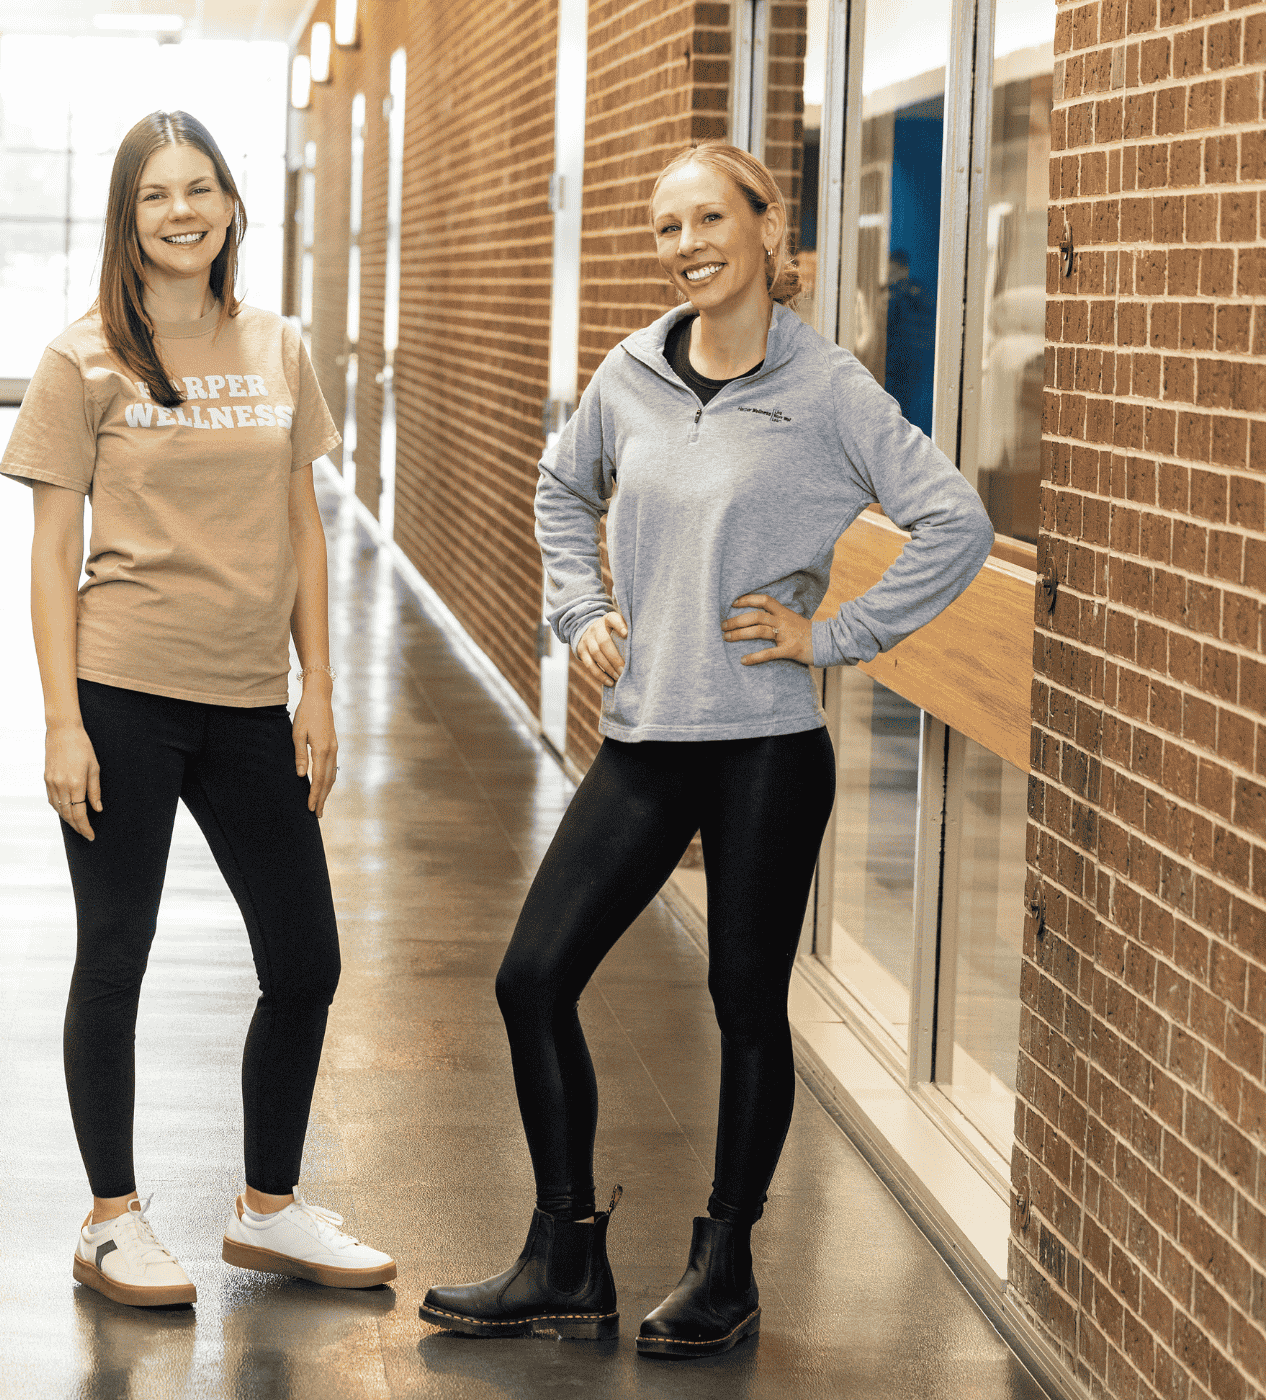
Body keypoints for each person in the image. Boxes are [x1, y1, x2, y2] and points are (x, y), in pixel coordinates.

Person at [420, 143, 993, 1356]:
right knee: (533, 976)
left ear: (767, 225)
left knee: (745, 1003)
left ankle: (723, 1263)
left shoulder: (830, 389)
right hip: (647, 737)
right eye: (664, 226)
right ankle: (565, 1254)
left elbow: (955, 519)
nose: (685, 244)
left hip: (767, 747)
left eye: (707, 218)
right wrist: (580, 611)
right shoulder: (630, 373)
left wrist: (836, 633)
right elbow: (559, 486)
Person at [0, 110, 396, 1310]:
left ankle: (269, 1209)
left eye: (202, 189)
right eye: (157, 194)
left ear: (232, 205)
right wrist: (61, 718)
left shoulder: (278, 345)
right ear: (127, 215)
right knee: (116, 952)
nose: (183, 211)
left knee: (306, 957)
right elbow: (50, 549)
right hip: (124, 691)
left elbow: (302, 522)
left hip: (247, 700)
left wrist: (318, 683)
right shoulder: (83, 359)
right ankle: (110, 1218)